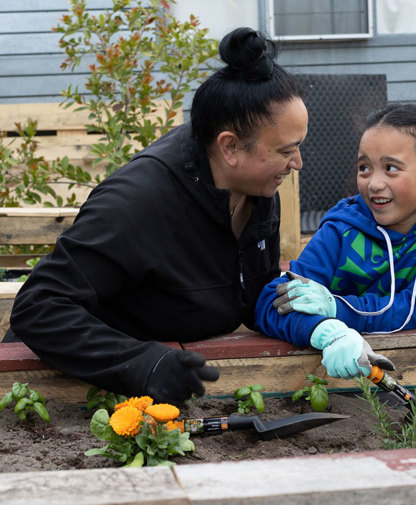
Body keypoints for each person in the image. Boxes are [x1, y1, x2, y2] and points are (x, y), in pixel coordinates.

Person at [6, 27, 308, 405]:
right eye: (286, 151)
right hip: (72, 390)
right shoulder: (139, 202)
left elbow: (252, 289)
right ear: (230, 147)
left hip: (176, 379)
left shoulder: (257, 188)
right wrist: (143, 364)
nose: (297, 163)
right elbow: (40, 308)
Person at [254, 103, 416, 380]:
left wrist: (337, 309)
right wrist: (326, 332)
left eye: (391, 168)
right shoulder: (341, 229)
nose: (374, 183)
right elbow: (271, 303)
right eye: (364, 168)